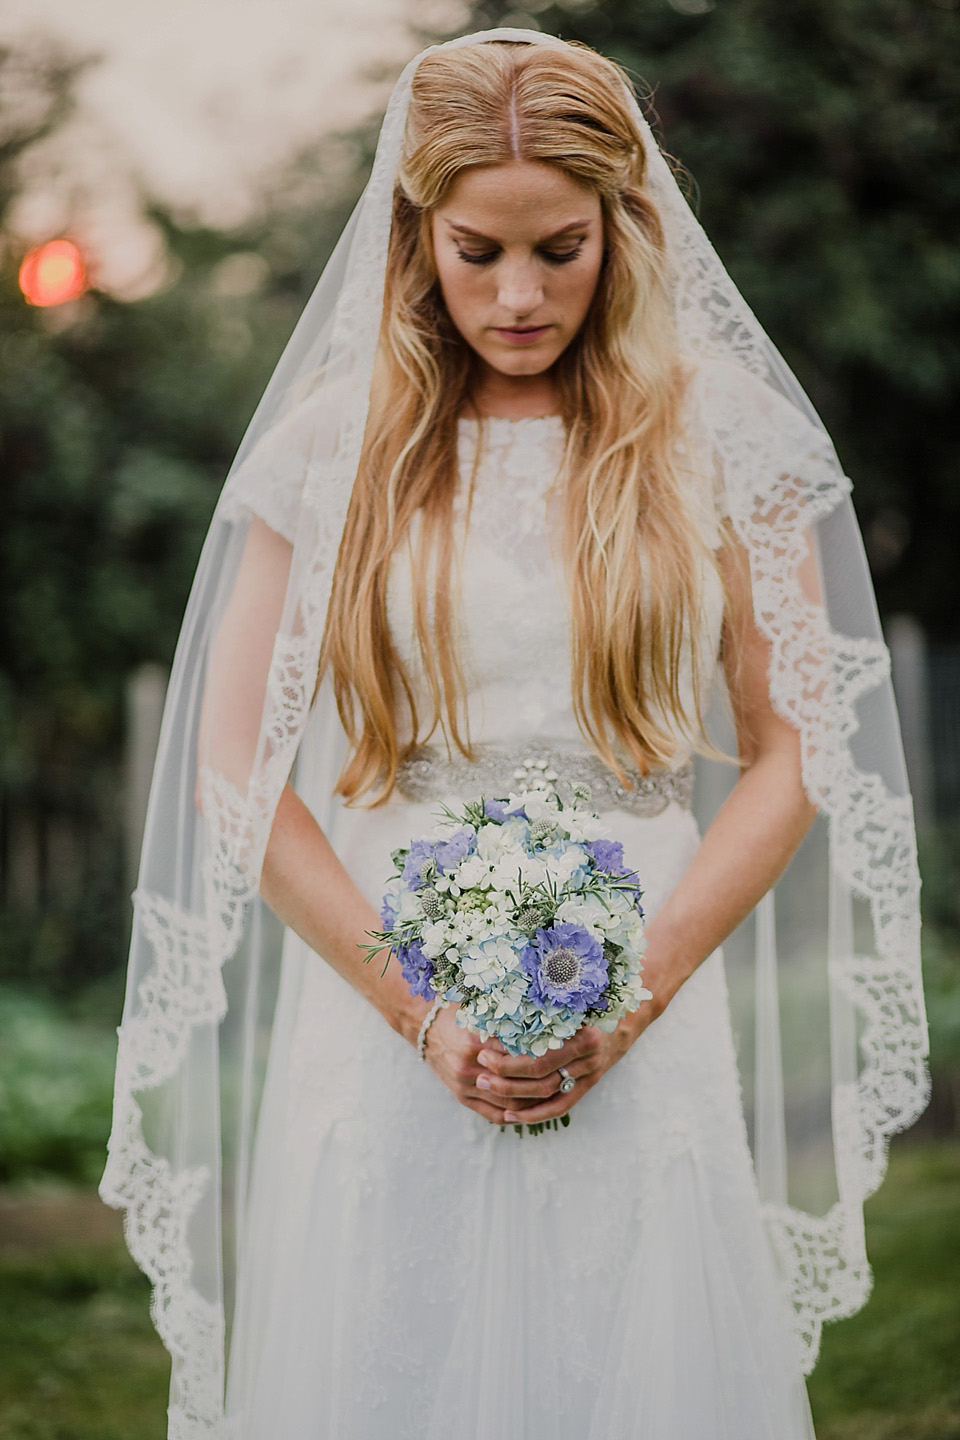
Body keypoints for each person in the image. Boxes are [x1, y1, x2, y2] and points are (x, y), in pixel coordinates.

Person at [100, 29, 928, 1440]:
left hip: (639, 969)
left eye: (562, 247)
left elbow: (796, 749)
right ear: (418, 231)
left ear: (627, 225)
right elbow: (232, 762)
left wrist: (634, 997)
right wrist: (415, 1011)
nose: (520, 293)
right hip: (380, 988)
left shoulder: (721, 436)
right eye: (478, 251)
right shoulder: (329, 447)